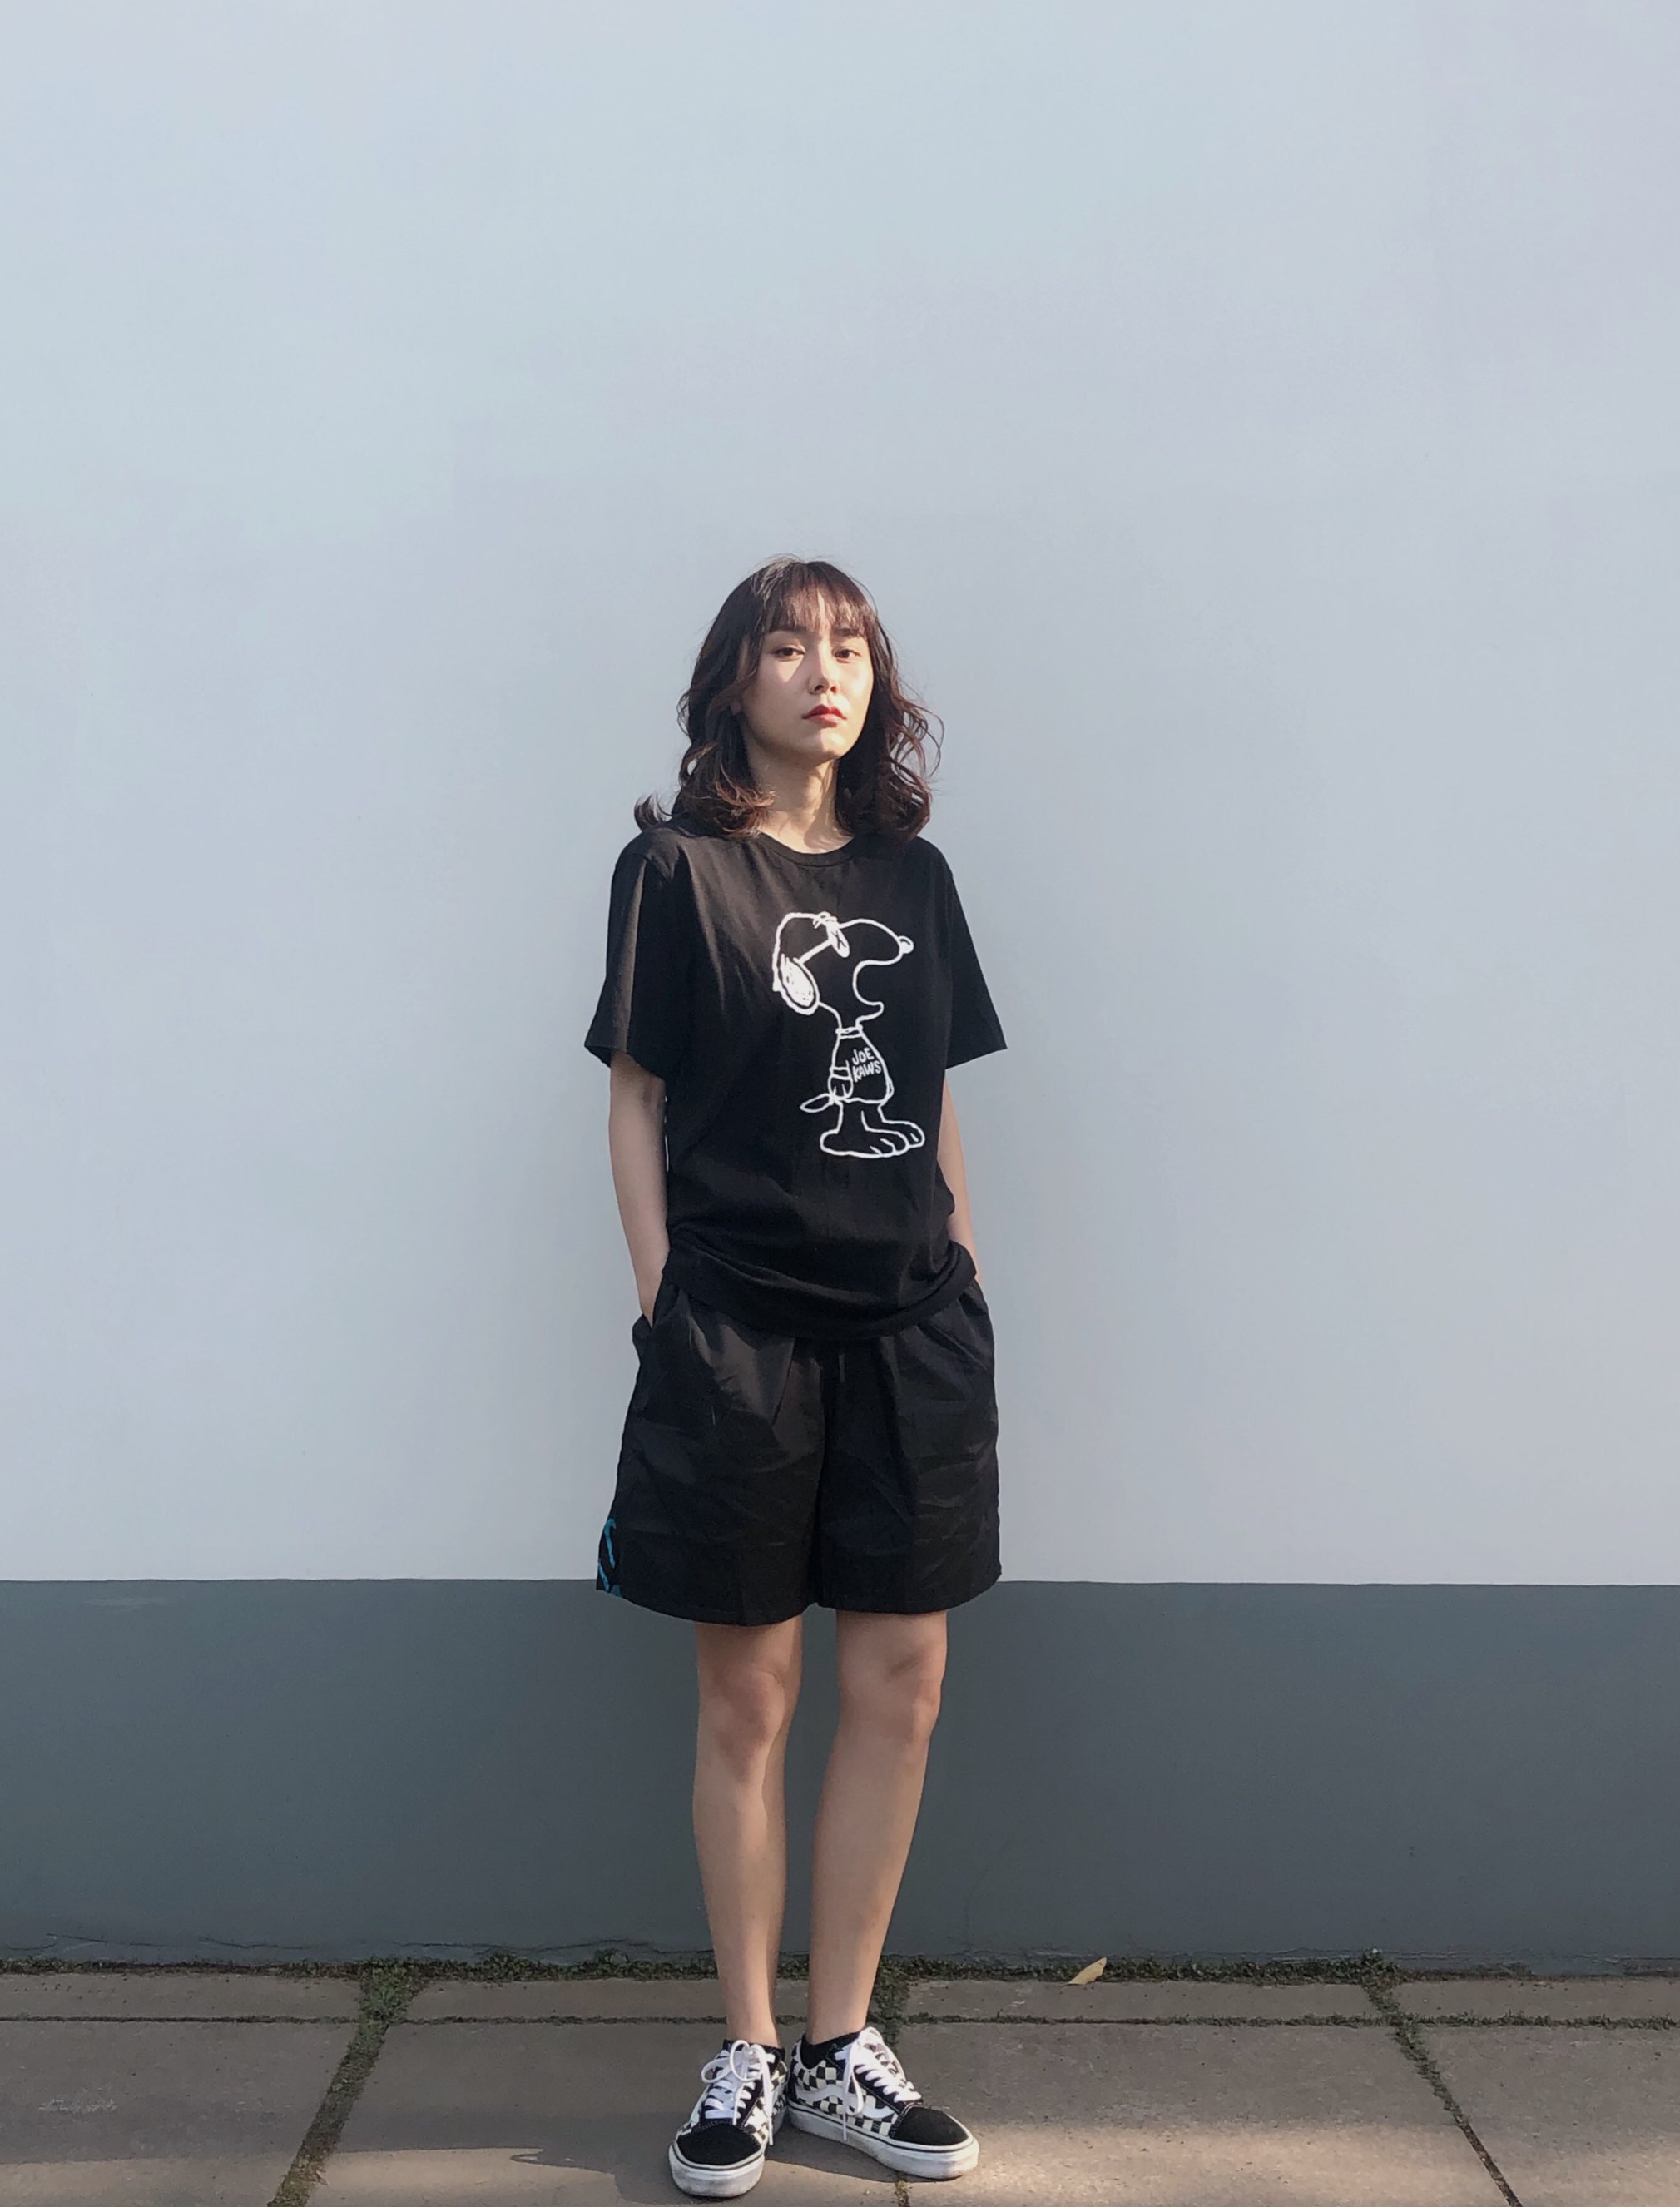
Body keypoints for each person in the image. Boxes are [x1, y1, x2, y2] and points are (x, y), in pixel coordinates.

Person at [585, 555, 1006, 2197]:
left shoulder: (916, 878)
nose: (822, 670)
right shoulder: (673, 871)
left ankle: (843, 2045)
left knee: (901, 1685)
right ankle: (751, 2050)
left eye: (848, 647)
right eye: (785, 644)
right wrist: (662, 1303)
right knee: (749, 1700)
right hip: (737, 1331)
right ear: (732, 682)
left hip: (910, 1328)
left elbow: (934, 1092)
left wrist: (964, 1276)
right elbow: (635, 1096)